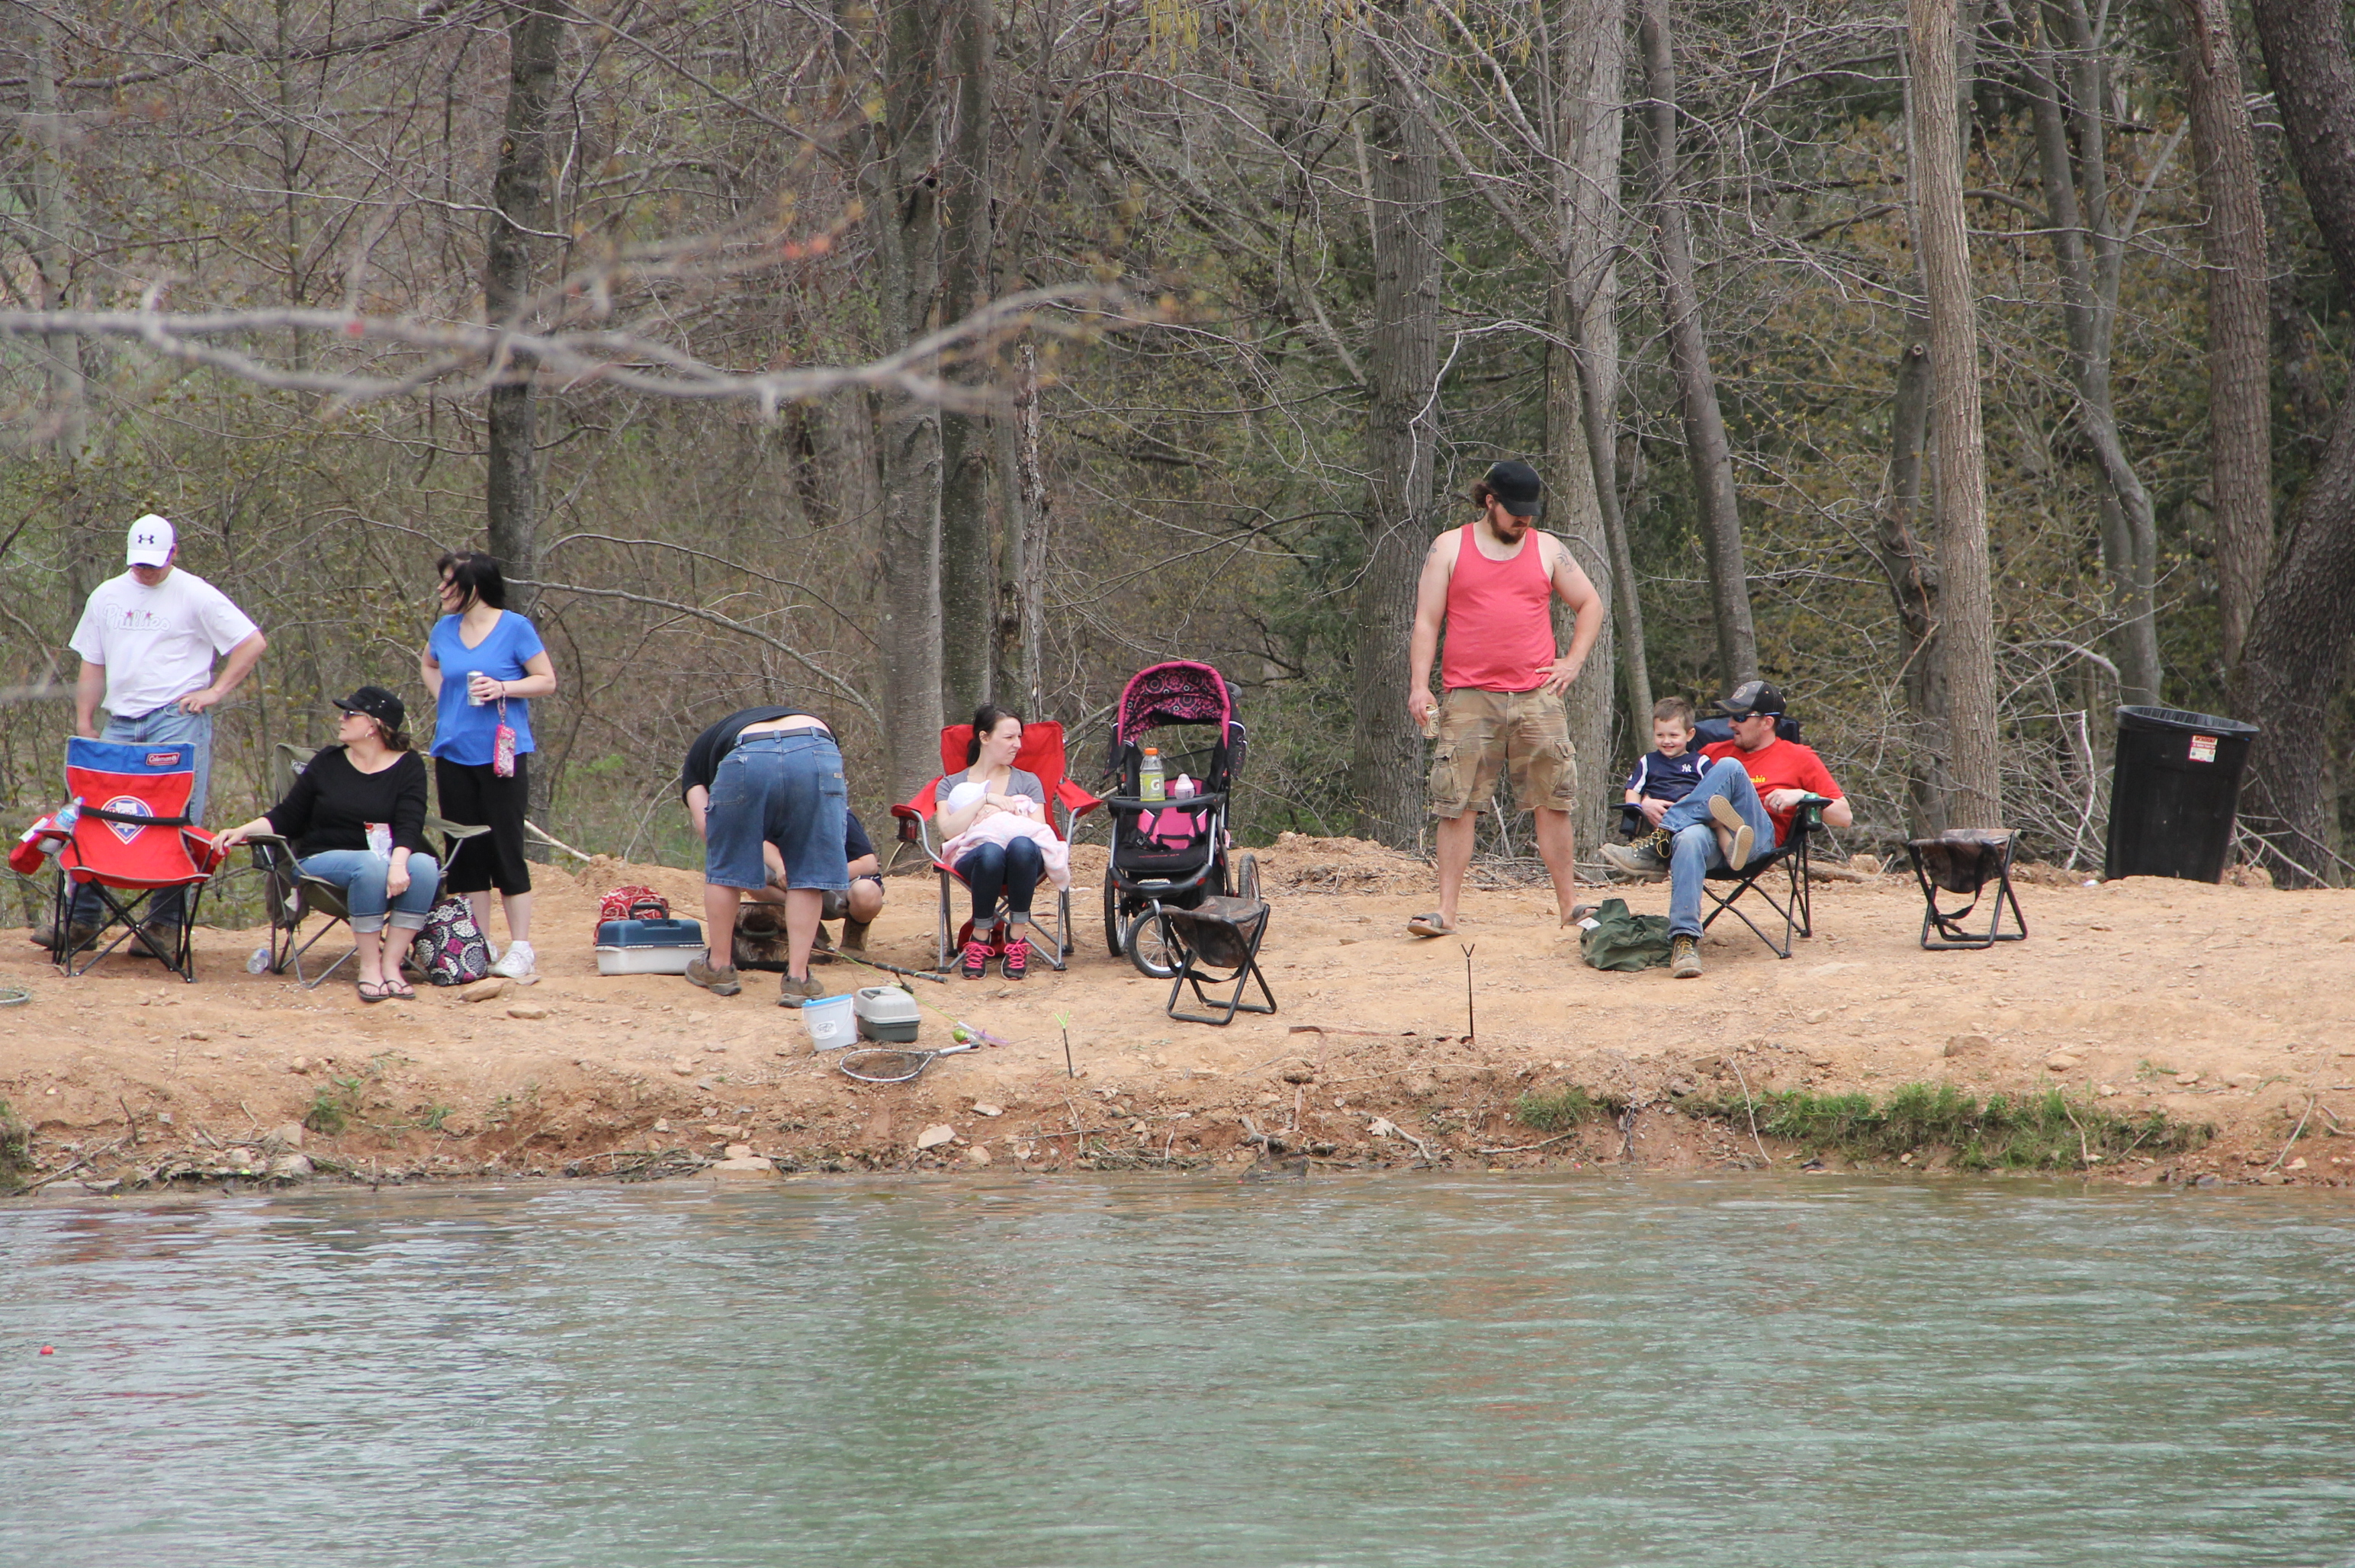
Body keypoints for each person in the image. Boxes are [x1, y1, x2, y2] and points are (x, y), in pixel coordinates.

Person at [1404, 459, 1605, 937]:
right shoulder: (1449, 547)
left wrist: (1573, 662)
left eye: (1529, 513)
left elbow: (1590, 603)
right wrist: (1419, 685)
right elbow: (1427, 621)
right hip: (1468, 697)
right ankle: (1446, 912)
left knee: (1553, 800)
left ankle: (1569, 906)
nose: (1524, 520)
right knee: (1457, 803)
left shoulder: (1548, 548)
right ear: (1489, 501)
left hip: (1538, 697)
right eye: (1515, 512)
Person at [53, 512, 268, 951]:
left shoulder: (195, 593)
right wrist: (85, 720)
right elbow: (92, 661)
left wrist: (216, 690)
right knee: (94, 812)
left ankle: (164, 926)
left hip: (175, 717)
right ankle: (83, 921)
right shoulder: (107, 595)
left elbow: (251, 642)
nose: (145, 570)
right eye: (138, 562)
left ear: (173, 553)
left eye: (153, 562)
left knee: (176, 818)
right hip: (120, 719)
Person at [1600, 680, 1852, 978]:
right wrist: (1646, 801)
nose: (1731, 724)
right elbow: (1669, 778)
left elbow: (1844, 816)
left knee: (1730, 768)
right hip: (1715, 842)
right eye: (1731, 716)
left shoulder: (1799, 757)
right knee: (1690, 836)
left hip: (1758, 841)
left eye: (1740, 717)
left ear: (1767, 722)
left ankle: (1660, 844)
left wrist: (1802, 796)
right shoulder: (1711, 752)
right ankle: (1684, 941)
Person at [214, 687, 440, 1002]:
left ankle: (391, 965)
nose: (341, 719)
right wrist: (243, 830)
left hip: (384, 859)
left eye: (350, 713)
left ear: (374, 725)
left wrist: (399, 864)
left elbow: (410, 822)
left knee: (425, 866)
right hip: (321, 863)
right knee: (371, 864)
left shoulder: (408, 765)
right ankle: (369, 967)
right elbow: (288, 816)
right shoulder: (328, 762)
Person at [419, 551, 555, 981]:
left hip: (501, 755)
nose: (441, 589)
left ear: (473, 586)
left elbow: (546, 680)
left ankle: (521, 947)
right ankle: (479, 941)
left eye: (449, 582)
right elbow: (429, 664)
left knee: (505, 847)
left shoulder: (515, 627)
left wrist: (504, 688)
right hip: (452, 752)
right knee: (465, 852)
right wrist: (447, 701)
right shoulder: (444, 629)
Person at [679, 704, 880, 966]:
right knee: (808, 869)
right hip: (816, 741)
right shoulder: (729, 735)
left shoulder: (697, 765)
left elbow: (711, 833)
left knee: (726, 866)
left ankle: (718, 967)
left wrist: (729, 845)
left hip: (747, 750)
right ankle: (799, 976)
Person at [933, 705, 1059, 981]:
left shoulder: (1027, 781)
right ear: (985, 737)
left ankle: (1017, 937)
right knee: (990, 851)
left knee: (1022, 844)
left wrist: (1003, 813)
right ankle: (980, 938)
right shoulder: (951, 785)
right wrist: (985, 800)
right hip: (976, 861)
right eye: (1009, 737)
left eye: (1019, 737)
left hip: (1023, 861)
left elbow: (1038, 829)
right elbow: (949, 830)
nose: (1018, 745)